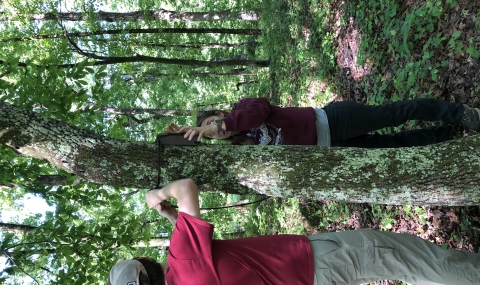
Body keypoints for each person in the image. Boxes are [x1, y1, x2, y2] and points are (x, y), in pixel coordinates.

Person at [107, 179, 480, 285]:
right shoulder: (181, 257)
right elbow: (187, 186)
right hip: (320, 261)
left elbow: (208, 255)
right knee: (418, 261)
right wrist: (158, 195)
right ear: (144, 260)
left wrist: (171, 216)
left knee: (406, 265)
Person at [166, 98, 480, 148]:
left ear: (219, 115)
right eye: (210, 132)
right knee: (392, 146)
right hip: (332, 148)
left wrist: (214, 127)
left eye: (212, 122)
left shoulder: (243, 109)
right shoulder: (243, 149)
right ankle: (447, 135)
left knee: (396, 113)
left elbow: (259, 111)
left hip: (333, 119)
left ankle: (460, 114)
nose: (214, 130)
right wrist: (187, 137)